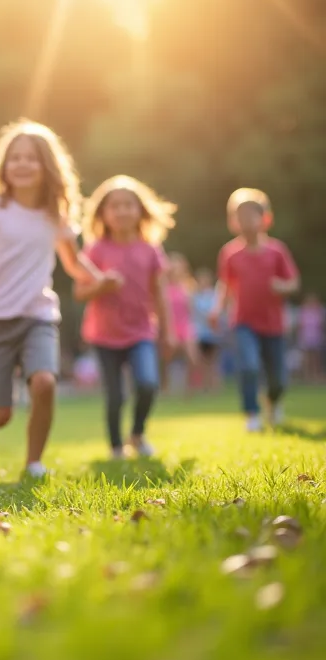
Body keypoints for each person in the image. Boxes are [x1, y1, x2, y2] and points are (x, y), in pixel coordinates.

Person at [0, 119, 110, 478]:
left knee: (44, 382)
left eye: (31, 158)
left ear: (47, 166)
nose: (22, 164)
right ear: (4, 165)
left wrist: (99, 277)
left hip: (38, 315)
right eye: (15, 158)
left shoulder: (54, 215)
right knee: (1, 413)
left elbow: (74, 262)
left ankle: (33, 463)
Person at [75, 176, 176, 459]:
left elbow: (160, 294)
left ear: (141, 211)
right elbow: (79, 292)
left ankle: (138, 433)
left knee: (147, 383)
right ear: (102, 214)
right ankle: (116, 447)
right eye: (114, 206)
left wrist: (168, 332)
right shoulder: (95, 250)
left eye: (128, 205)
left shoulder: (150, 250)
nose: (121, 211)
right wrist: (100, 285)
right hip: (103, 335)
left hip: (141, 332)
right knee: (115, 395)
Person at [210, 188, 300, 432]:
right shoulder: (230, 254)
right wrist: (217, 310)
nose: (247, 220)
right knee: (248, 366)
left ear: (266, 218)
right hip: (243, 322)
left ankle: (274, 401)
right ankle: (252, 413)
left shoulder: (277, 251)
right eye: (241, 216)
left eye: (252, 215)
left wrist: (281, 286)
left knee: (277, 378)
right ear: (233, 222)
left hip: (274, 323)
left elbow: (294, 282)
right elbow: (226, 286)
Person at [163, 252, 198, 394]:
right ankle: (165, 388)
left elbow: (191, 309)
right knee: (166, 359)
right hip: (169, 326)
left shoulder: (188, 286)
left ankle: (188, 390)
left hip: (186, 326)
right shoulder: (163, 286)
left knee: (192, 357)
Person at [190, 267, 222, 392]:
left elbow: (214, 312)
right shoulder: (195, 296)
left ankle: (214, 387)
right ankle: (203, 387)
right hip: (199, 333)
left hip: (212, 333)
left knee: (212, 362)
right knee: (201, 362)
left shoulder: (214, 295)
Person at [297, 293, 324, 382]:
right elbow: (300, 326)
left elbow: (321, 326)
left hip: (316, 337)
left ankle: (315, 375)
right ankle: (307, 375)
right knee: (307, 357)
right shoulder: (304, 312)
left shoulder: (318, 312)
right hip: (306, 337)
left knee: (315, 358)